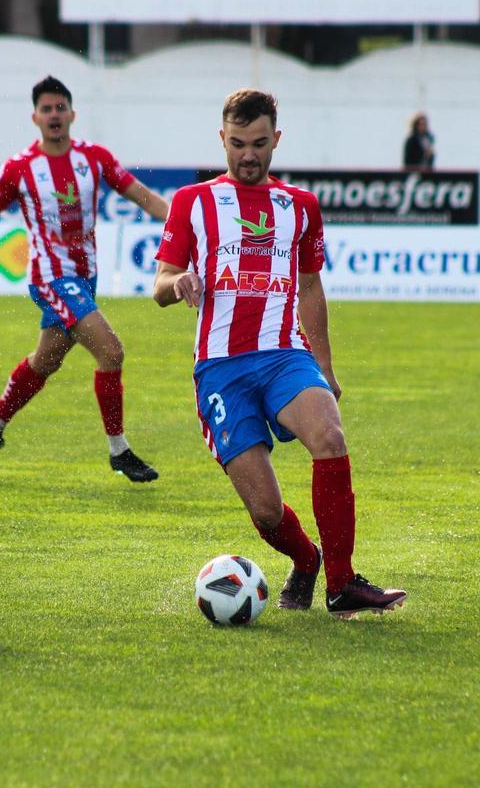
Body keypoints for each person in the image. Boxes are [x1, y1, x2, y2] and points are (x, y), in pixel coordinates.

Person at [153, 89, 406, 620]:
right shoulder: (192, 202)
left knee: (330, 437)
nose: (249, 155)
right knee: (266, 512)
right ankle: (307, 560)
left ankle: (342, 583)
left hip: (285, 354)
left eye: (260, 144)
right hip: (220, 370)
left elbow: (311, 288)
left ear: (277, 141)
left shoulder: (300, 206)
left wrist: (327, 370)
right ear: (222, 139)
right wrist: (179, 285)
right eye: (239, 143)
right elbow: (161, 281)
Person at [0, 75, 169, 483]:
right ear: (35, 117)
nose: (54, 115)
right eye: (46, 109)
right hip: (51, 278)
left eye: (60, 107)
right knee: (111, 352)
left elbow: (144, 197)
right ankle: (119, 450)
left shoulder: (94, 158)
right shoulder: (21, 168)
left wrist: (190, 225)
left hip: (84, 278)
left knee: (44, 362)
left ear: (72, 113)